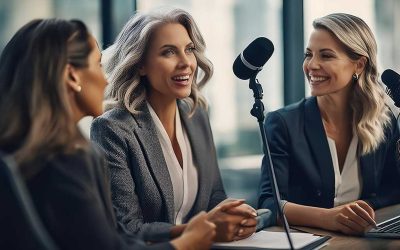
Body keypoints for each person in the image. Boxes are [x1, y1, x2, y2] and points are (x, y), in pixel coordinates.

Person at [0, 18, 218, 250]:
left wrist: (189, 231)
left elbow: (114, 237)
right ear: (72, 76)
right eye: (98, 65)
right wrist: (186, 244)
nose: (106, 79)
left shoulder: (27, 158)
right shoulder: (68, 161)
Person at [90, 8, 257, 242]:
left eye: (189, 50)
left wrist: (234, 214)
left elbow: (215, 196)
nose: (185, 63)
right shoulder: (112, 129)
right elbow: (126, 228)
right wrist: (200, 230)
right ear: (140, 64)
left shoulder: (196, 114)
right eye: (168, 52)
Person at [258, 13, 400, 236]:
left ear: (359, 65)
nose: (311, 65)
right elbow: (269, 202)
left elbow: (393, 190)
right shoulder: (283, 123)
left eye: (326, 56)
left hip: (360, 240)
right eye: (308, 55)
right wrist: (328, 218)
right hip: (308, 241)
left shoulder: (383, 121)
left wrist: (360, 212)